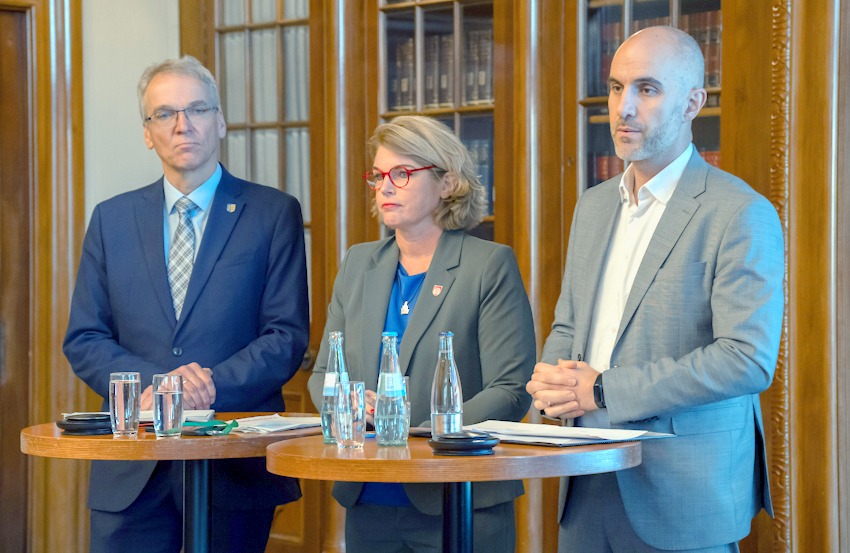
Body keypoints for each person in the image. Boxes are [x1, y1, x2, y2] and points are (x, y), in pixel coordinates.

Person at [526, 26, 784, 553]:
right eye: (617, 87)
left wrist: (603, 390)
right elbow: (570, 325)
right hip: (586, 475)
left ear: (693, 103)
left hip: (682, 493)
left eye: (647, 89)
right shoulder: (593, 206)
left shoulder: (739, 212)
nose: (624, 107)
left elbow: (746, 359)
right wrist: (554, 387)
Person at [62, 56, 309, 553]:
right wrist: (162, 387)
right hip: (133, 468)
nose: (183, 124)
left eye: (197, 109)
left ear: (219, 121)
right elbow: (85, 338)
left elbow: (286, 336)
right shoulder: (111, 219)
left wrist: (209, 384)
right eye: (165, 113)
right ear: (147, 133)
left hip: (232, 462)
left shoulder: (272, 213)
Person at [308, 115, 536, 552]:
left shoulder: (488, 264)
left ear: (447, 183)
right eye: (378, 176)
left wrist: (418, 428)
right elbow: (323, 376)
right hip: (369, 495)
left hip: (456, 495)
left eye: (402, 173)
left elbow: (511, 390)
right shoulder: (359, 263)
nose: (385, 187)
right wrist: (349, 403)